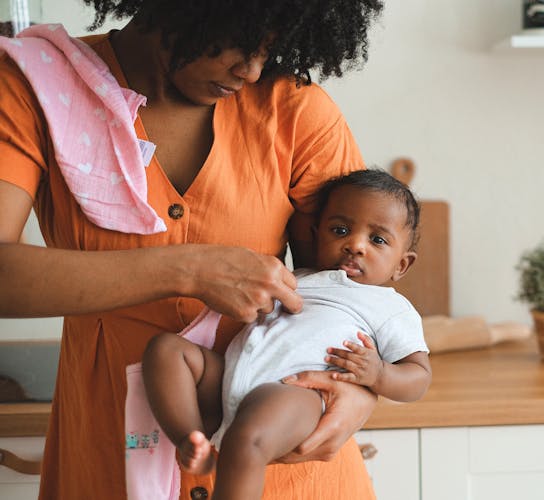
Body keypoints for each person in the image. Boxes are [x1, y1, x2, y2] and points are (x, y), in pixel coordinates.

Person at [0, 1, 387, 498]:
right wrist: (188, 269)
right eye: (240, 38)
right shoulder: (36, 85)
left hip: (285, 468)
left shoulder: (293, 107)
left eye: (268, 49)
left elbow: (354, 287)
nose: (250, 71)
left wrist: (361, 389)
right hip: (109, 456)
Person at [142, 169, 432, 500]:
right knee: (166, 350)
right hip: (232, 374)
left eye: (377, 240)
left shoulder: (390, 307)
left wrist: (379, 374)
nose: (355, 244)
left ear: (402, 265)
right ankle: (189, 439)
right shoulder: (297, 278)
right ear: (315, 234)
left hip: (296, 391)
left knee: (247, 438)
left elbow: (419, 377)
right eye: (340, 230)